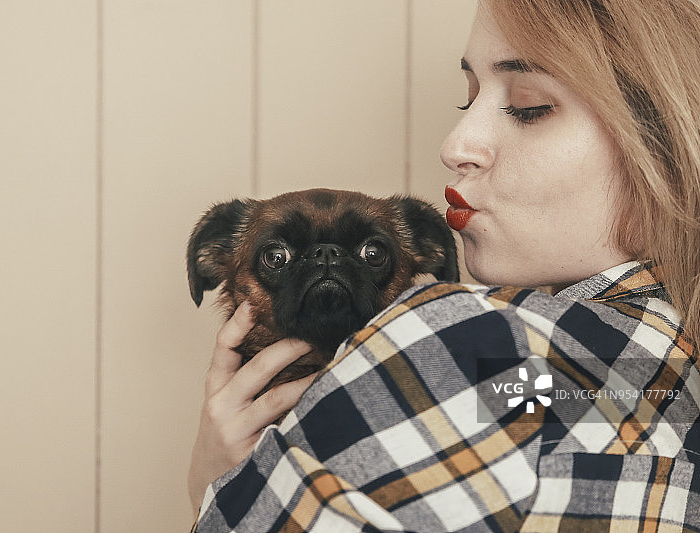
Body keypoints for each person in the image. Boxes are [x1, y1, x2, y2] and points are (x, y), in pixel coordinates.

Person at [189, 0, 700, 530]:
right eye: (468, 100)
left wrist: (217, 483)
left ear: (659, 157)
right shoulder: (658, 374)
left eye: (527, 106)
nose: (454, 146)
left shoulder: (471, 339)